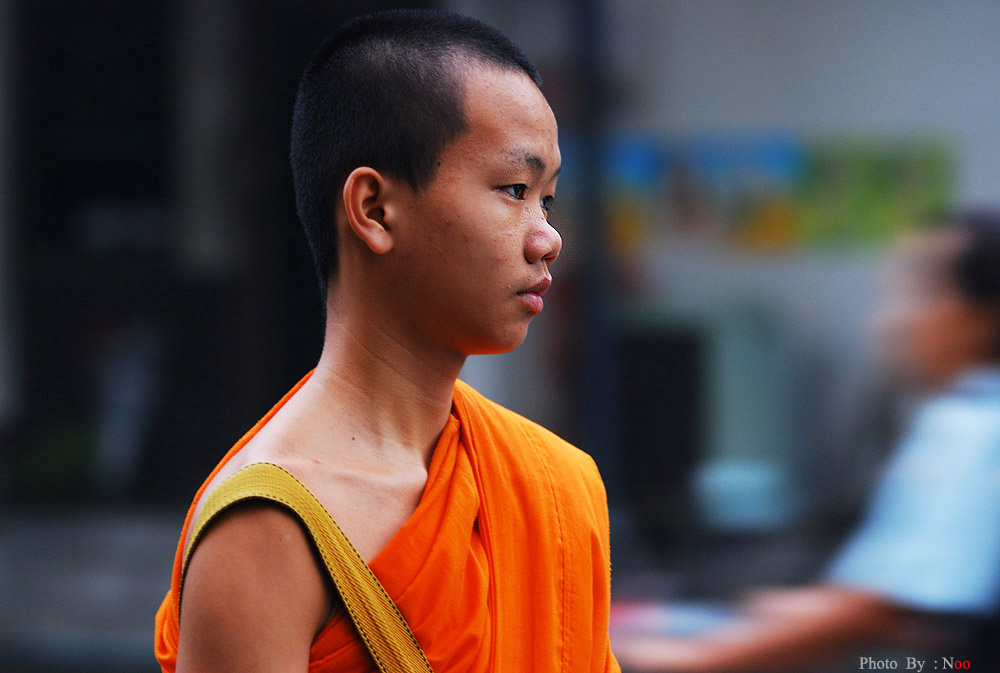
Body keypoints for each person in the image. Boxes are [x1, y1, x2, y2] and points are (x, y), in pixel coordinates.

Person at [153, 10, 619, 673]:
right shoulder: (267, 529)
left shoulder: (557, 484)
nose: (548, 238)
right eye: (514, 189)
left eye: (546, 198)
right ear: (374, 209)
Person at [614, 212, 1000, 671]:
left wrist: (691, 659)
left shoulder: (972, 427)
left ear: (984, 317)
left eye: (920, 294)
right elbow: (891, 601)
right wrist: (749, 612)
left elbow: (879, 611)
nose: (889, 322)